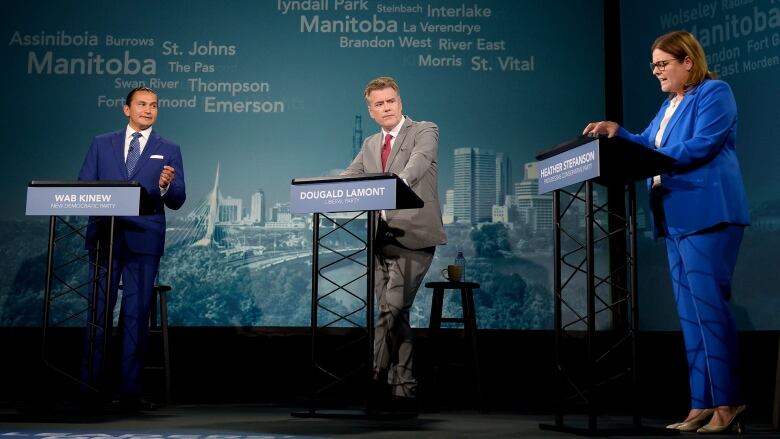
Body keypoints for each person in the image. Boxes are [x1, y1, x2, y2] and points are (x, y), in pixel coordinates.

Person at [583, 31, 749, 434]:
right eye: (654, 65)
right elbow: (646, 145)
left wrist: (642, 152)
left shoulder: (714, 92)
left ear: (687, 62)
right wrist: (617, 133)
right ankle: (701, 405)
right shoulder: (667, 105)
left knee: (709, 310)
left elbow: (701, 145)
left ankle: (728, 402)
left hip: (707, 213)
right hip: (673, 217)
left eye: (663, 64)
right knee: (691, 316)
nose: (656, 71)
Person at [342, 76, 447, 409]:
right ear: (371, 112)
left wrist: (395, 182)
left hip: (414, 237)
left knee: (392, 309)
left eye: (390, 101)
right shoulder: (371, 144)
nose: (386, 108)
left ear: (400, 103)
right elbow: (351, 176)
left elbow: (419, 162)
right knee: (396, 315)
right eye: (379, 104)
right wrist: (321, 188)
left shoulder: (424, 130)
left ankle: (376, 380)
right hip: (380, 240)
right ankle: (403, 389)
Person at [79, 86, 186, 411]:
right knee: (98, 314)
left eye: (154, 105)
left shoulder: (169, 148)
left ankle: (129, 391)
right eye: (141, 104)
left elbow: (178, 198)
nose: (148, 109)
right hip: (105, 238)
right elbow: (84, 186)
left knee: (136, 317)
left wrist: (166, 186)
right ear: (126, 109)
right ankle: (88, 388)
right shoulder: (101, 144)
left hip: (144, 239)